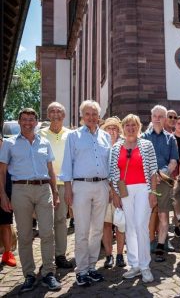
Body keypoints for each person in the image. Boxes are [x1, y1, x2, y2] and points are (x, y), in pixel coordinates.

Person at [0, 108, 61, 292]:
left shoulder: (44, 142)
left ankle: (49, 273)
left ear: (36, 122)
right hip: (20, 190)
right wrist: (3, 195)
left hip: (43, 189)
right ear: (19, 122)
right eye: (24, 119)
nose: (28, 122)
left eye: (31, 119)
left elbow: (50, 170)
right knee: (25, 234)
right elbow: (2, 171)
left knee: (47, 232)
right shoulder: (9, 144)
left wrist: (55, 192)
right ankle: (29, 274)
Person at [61, 100, 111, 286]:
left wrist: (111, 188)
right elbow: (67, 164)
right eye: (87, 114)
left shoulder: (105, 136)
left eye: (94, 114)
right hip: (81, 187)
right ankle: (81, 270)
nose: (91, 117)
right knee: (82, 230)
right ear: (82, 116)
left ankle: (91, 267)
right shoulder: (74, 137)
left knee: (97, 230)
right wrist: (67, 188)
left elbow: (110, 164)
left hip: (102, 186)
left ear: (99, 116)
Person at [110, 114, 159, 283]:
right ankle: (134, 264)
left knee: (141, 226)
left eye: (134, 125)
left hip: (143, 189)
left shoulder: (147, 145)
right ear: (123, 127)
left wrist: (153, 193)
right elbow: (112, 173)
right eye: (128, 125)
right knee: (129, 227)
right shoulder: (116, 148)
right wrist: (115, 194)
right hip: (124, 190)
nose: (131, 128)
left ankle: (145, 266)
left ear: (139, 127)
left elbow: (153, 171)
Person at [38, 102, 74, 269]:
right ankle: (47, 257)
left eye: (59, 111)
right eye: (52, 111)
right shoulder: (39, 134)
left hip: (64, 183)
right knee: (46, 223)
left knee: (61, 221)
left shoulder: (71, 135)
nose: (55, 114)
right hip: (45, 185)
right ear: (48, 114)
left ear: (64, 115)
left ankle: (60, 255)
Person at [141, 105, 179, 259]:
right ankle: (144, 245)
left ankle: (161, 246)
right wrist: (151, 175)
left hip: (163, 181)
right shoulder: (143, 138)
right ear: (151, 117)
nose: (157, 118)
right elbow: (140, 159)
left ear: (165, 119)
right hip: (145, 182)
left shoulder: (171, 139)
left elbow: (173, 161)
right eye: (155, 116)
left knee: (163, 216)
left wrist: (162, 173)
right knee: (144, 215)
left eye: (160, 116)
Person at [100, 117, 126, 268]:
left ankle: (120, 255)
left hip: (122, 187)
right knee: (106, 224)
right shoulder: (100, 146)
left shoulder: (124, 146)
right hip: (103, 187)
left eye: (114, 128)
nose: (111, 131)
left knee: (121, 223)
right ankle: (109, 255)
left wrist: (118, 192)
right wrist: (109, 189)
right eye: (108, 128)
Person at [0, 134, 16, 268]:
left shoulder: (7, 156)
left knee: (5, 224)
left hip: (4, 193)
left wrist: (7, 195)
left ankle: (7, 253)